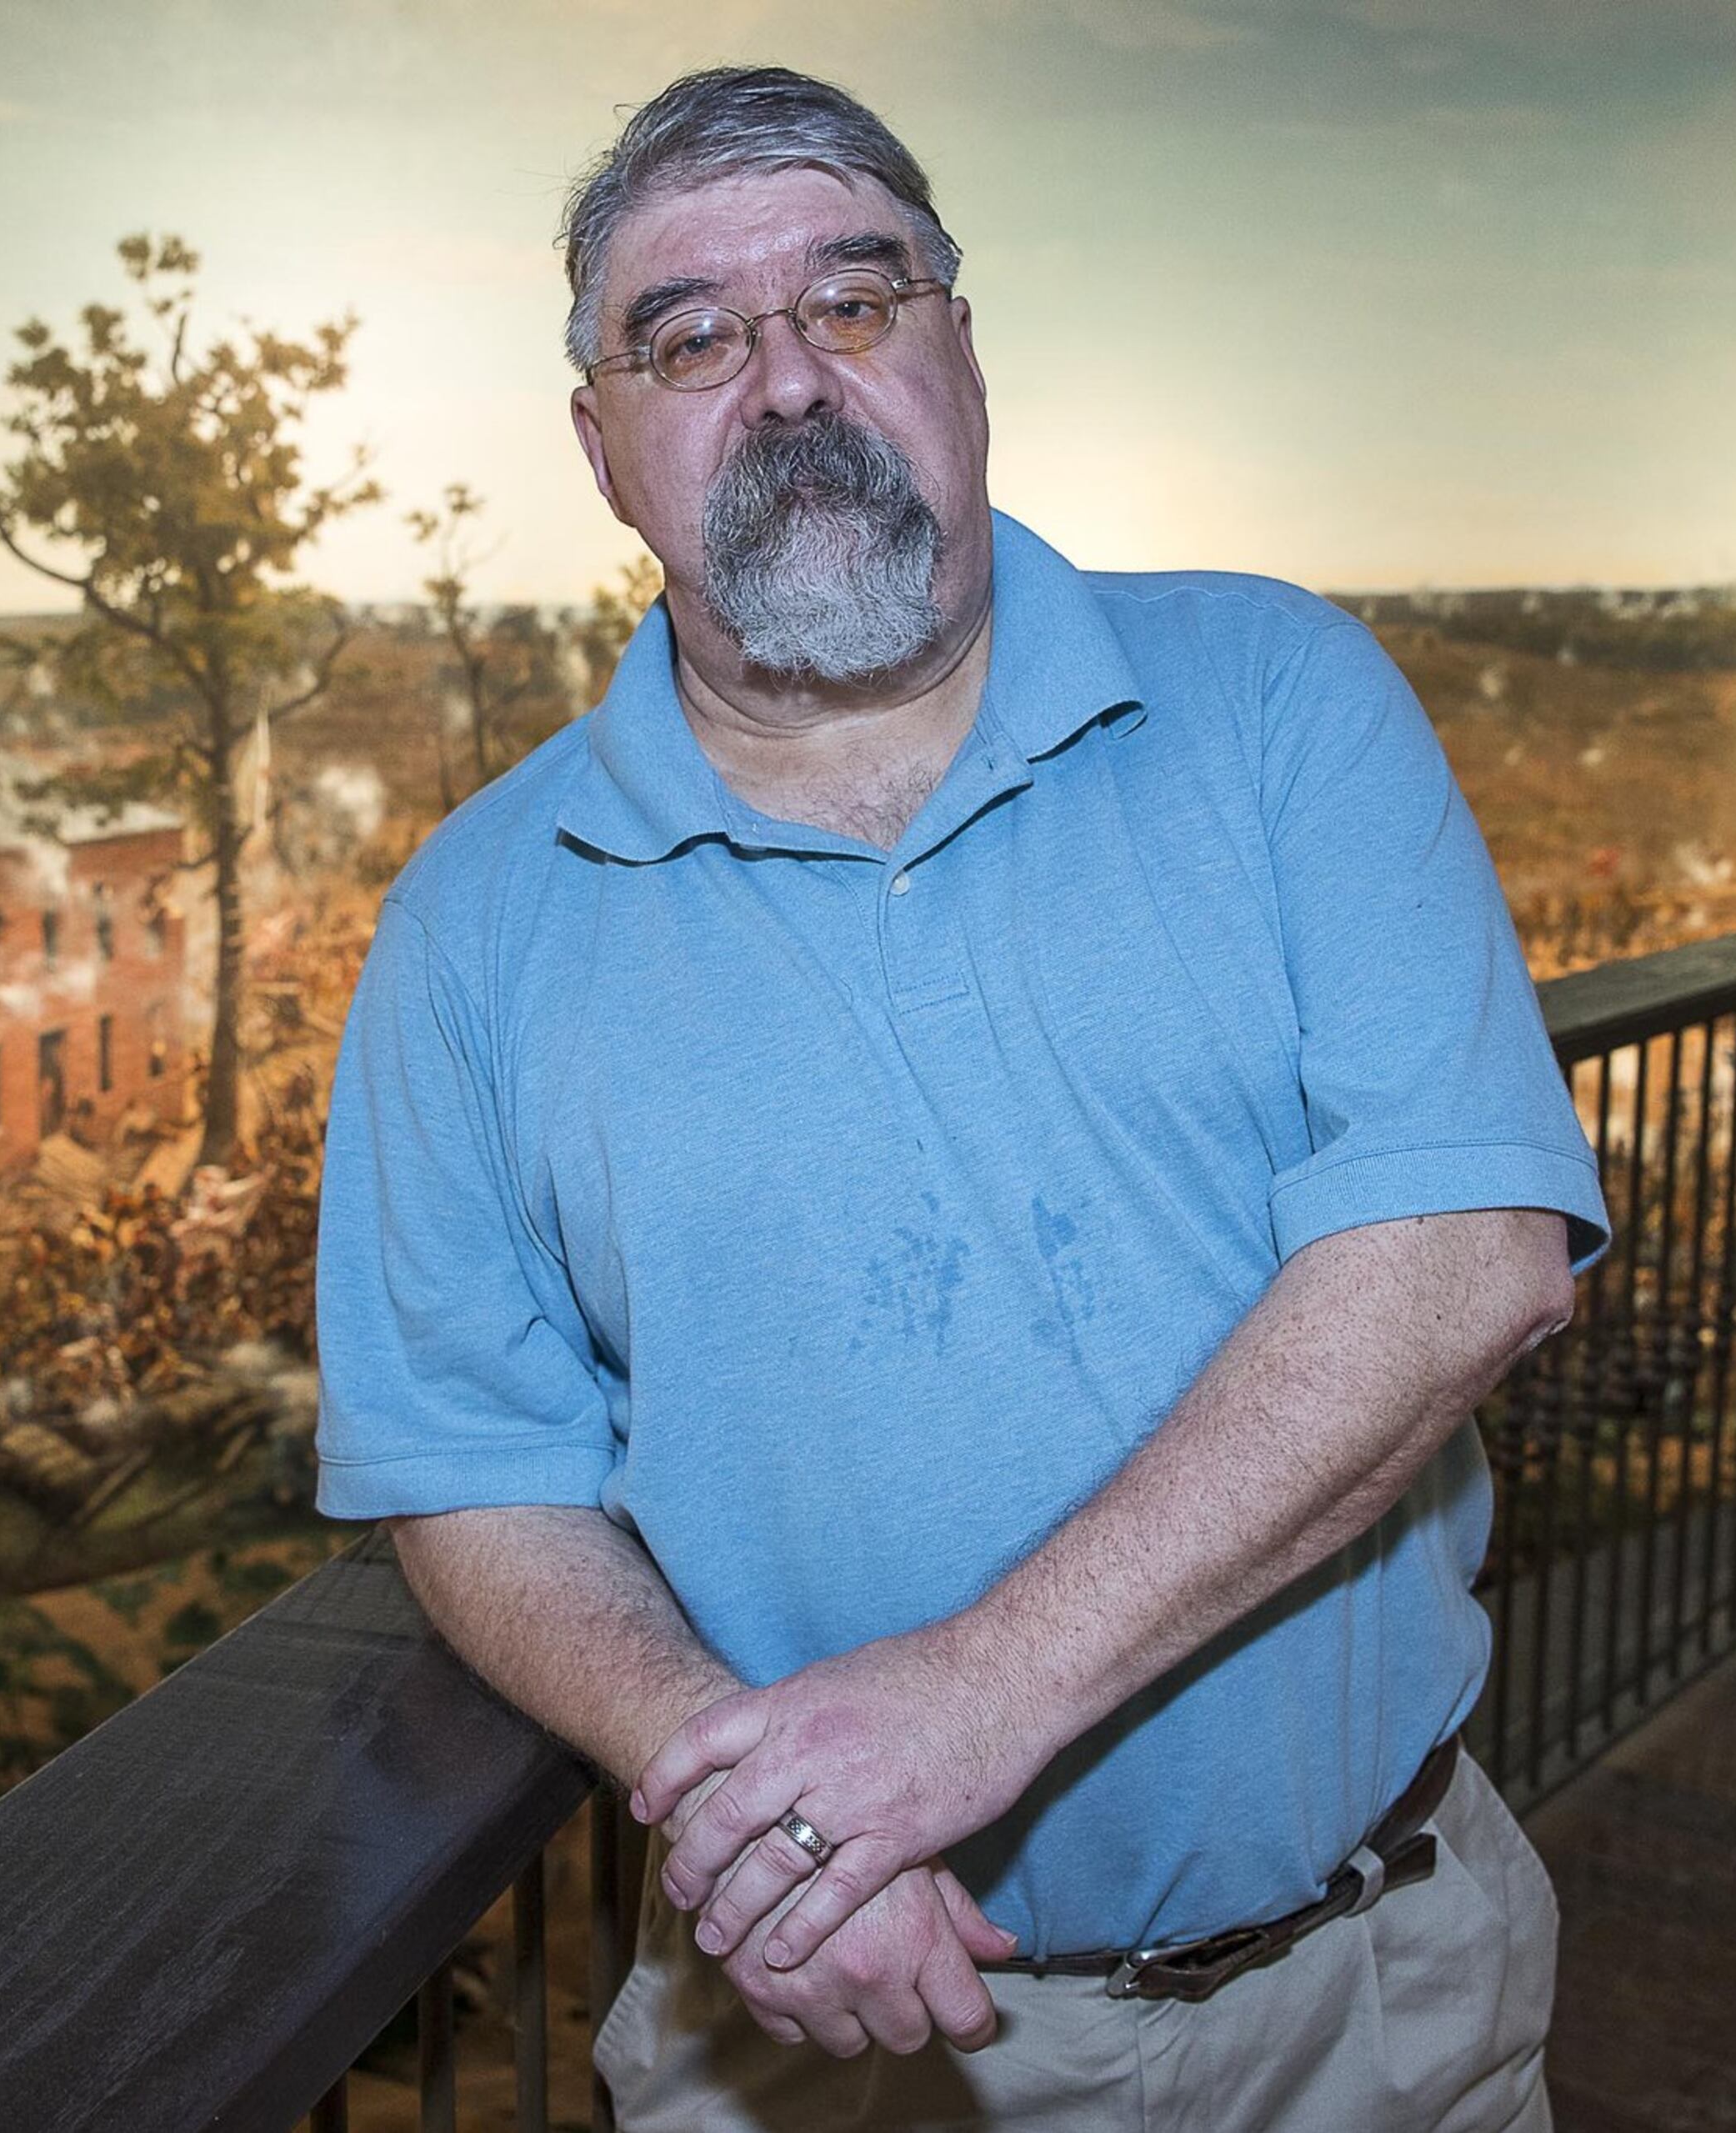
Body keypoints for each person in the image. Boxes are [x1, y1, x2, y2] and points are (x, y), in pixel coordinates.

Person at [313, 64, 1608, 2133]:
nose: (794, 381)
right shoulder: (474, 924)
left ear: (961, 346)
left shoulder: (1280, 700)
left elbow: (1469, 1253)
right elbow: (473, 1467)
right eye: (691, 335)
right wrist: (762, 1816)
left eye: (858, 295)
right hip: (829, 2048)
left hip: (1384, 2002)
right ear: (604, 448)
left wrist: (968, 1703)